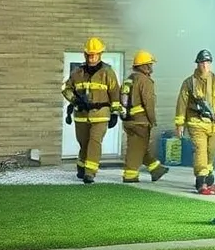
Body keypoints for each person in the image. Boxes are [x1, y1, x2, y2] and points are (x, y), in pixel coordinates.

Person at [61, 37, 123, 184]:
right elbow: (66, 88)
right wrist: (75, 100)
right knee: (83, 143)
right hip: (81, 115)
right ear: (85, 55)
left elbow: (115, 93)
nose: (92, 57)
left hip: (101, 115)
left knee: (95, 142)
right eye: (89, 54)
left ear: (100, 55)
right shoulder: (78, 72)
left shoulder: (108, 72)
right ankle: (81, 167)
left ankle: (90, 173)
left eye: (95, 54)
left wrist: (114, 113)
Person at [173, 49, 215, 192]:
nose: (205, 65)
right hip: (197, 122)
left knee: (212, 150)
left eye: (207, 62)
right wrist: (179, 124)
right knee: (200, 150)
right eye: (202, 62)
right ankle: (201, 178)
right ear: (197, 64)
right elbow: (181, 104)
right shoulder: (189, 83)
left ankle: (208, 170)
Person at [119, 50, 169, 184]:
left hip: (128, 121)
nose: (151, 68)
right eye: (150, 64)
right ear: (144, 66)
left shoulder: (128, 79)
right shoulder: (145, 81)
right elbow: (149, 103)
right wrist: (152, 120)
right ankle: (130, 175)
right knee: (136, 149)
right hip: (140, 121)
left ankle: (156, 169)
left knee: (140, 147)